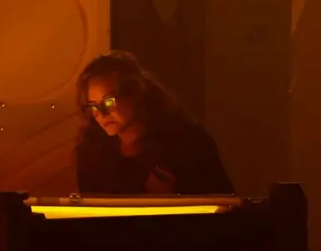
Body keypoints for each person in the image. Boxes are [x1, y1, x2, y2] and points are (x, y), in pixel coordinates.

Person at [75, 50, 234, 195]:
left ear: (135, 92)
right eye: (94, 106)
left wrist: (171, 199)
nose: (101, 114)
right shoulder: (92, 149)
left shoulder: (186, 142)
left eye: (108, 101)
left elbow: (220, 202)